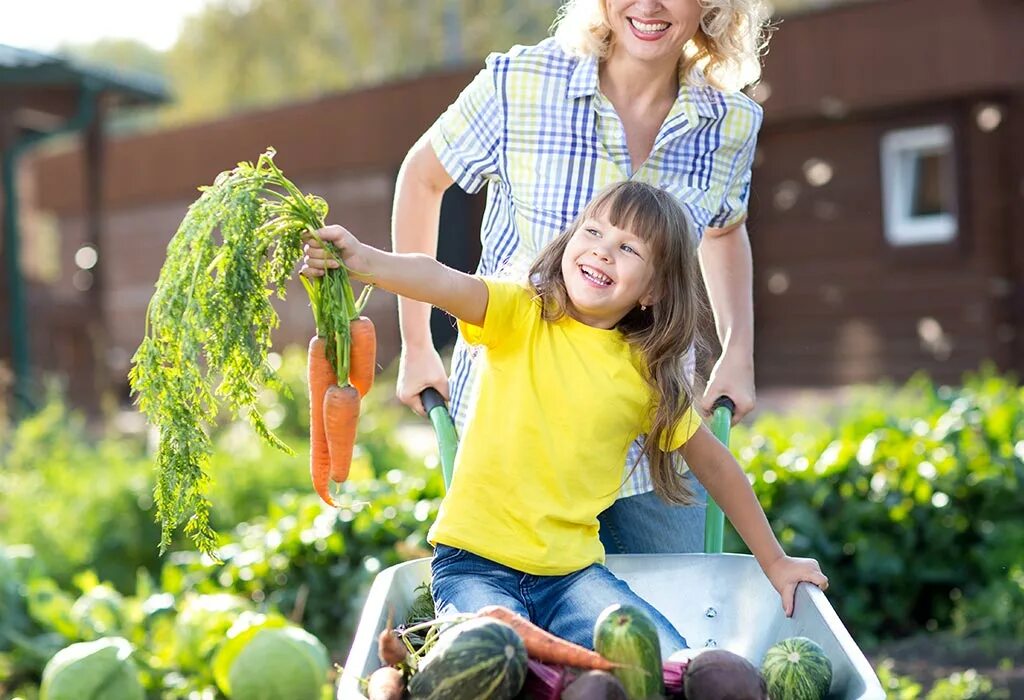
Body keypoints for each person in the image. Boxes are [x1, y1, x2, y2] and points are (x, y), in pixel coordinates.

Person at [307, 0, 772, 555]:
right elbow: (423, 179)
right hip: (520, 442)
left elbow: (724, 231)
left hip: (651, 437)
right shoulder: (522, 82)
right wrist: (418, 344)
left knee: (671, 621)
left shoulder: (730, 124)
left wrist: (737, 354)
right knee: (527, 629)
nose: (649, 5)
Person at [302, 181, 827, 652]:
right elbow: (439, 279)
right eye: (594, 231)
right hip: (473, 566)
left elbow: (716, 466)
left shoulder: (646, 377)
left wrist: (776, 562)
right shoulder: (521, 314)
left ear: (653, 291)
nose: (602, 250)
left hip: (572, 577)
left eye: (628, 248)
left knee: (665, 659)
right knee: (484, 661)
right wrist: (364, 260)